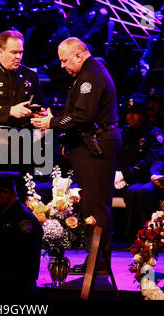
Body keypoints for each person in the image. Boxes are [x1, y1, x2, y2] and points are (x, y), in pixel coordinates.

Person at [30, 37, 122, 274]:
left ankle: (99, 263)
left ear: (79, 55)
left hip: (97, 145)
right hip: (90, 143)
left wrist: (53, 122)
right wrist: (67, 138)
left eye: (64, 60)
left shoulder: (90, 77)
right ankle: (96, 260)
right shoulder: (86, 74)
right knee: (92, 204)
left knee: (96, 205)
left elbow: (82, 116)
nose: (62, 66)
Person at [0, 171, 43, 300]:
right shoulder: (5, 216)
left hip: (18, 294)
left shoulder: (23, 220)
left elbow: (25, 269)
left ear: (7, 193)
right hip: (1, 290)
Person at [114, 93, 164, 241]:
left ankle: (134, 237)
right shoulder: (123, 132)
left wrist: (125, 174)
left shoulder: (154, 134)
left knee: (134, 191)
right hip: (120, 178)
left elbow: (151, 160)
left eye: (135, 113)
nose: (130, 116)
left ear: (144, 114)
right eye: (128, 113)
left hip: (142, 179)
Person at [0, 29, 45, 128]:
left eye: (21, 52)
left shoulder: (30, 75)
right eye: (14, 52)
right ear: (1, 52)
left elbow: (40, 104)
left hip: (23, 135)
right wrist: (9, 111)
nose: (18, 57)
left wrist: (40, 113)